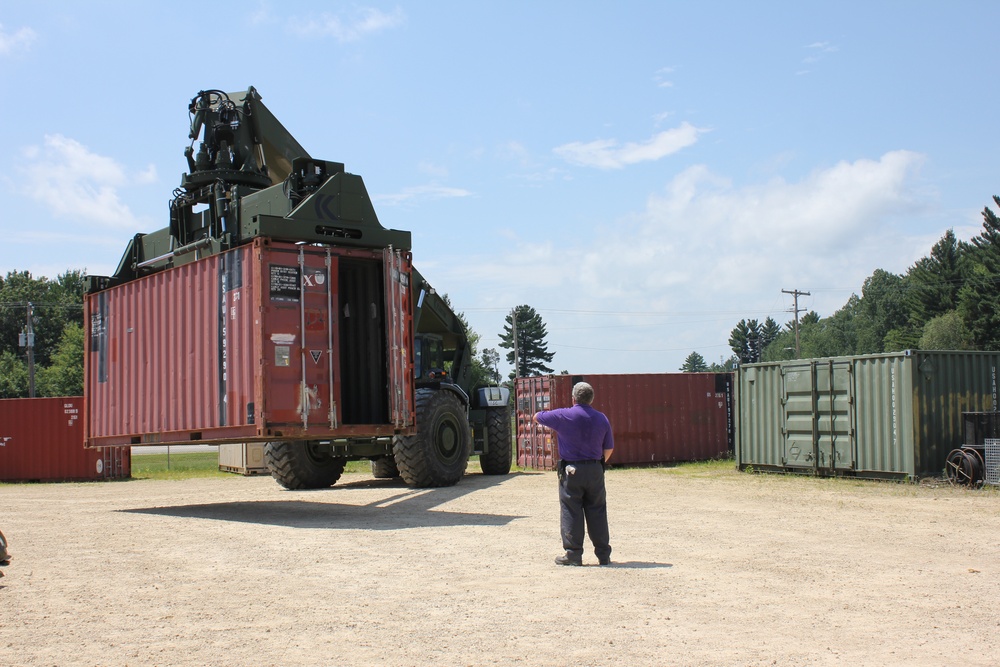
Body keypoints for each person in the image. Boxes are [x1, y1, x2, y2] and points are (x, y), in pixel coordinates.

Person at [532, 382, 614, 566]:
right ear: (592, 398)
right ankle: (603, 555)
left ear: (573, 398)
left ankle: (573, 554)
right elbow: (609, 448)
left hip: (571, 470)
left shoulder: (563, 415)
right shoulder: (602, 418)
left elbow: (537, 416)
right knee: (598, 510)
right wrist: (598, 464)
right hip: (595, 469)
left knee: (571, 509)